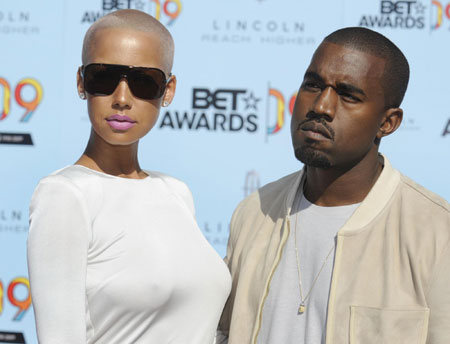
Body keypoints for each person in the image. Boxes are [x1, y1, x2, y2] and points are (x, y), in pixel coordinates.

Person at [217, 27, 450, 344]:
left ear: (388, 122)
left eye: (348, 95)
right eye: (312, 85)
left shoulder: (436, 233)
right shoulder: (256, 211)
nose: (321, 106)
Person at [27, 9, 231, 344]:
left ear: (167, 90)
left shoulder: (176, 192)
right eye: (103, 78)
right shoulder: (64, 196)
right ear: (81, 82)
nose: (122, 99)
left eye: (143, 82)